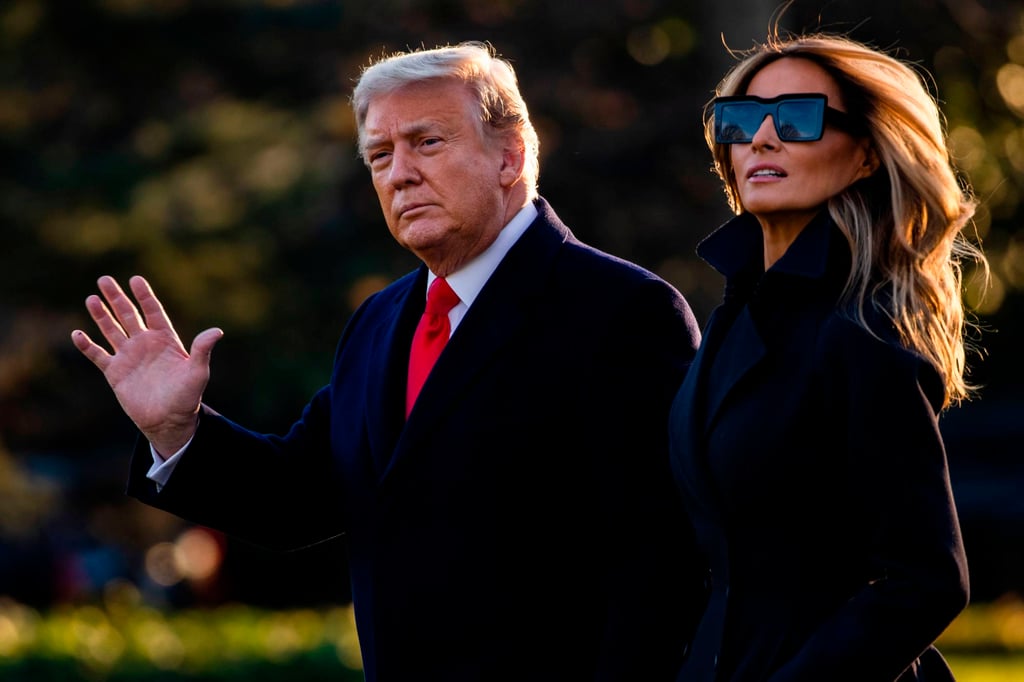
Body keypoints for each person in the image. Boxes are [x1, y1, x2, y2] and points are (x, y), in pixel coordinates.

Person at [71, 41, 707, 681]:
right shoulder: (378, 321)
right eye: (380, 155)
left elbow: (661, 572)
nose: (399, 174)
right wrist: (176, 431)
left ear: (510, 156)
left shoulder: (623, 311)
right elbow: (296, 500)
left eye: (427, 142)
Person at [668, 31, 988, 682]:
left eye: (797, 119)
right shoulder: (735, 314)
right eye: (741, 120)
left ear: (867, 155)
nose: (761, 139)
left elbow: (928, 580)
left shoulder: (862, 333)